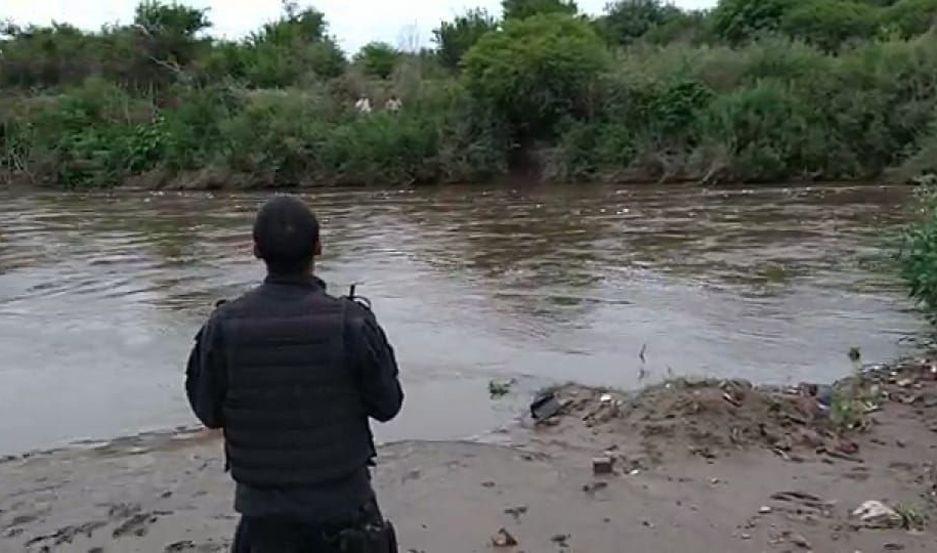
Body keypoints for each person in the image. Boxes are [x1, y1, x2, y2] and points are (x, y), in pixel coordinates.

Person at [186, 195, 404, 553]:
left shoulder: (223, 326)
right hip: (346, 512)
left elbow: (207, 412)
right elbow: (388, 405)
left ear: (256, 250)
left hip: (263, 521)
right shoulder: (352, 322)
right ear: (318, 247)